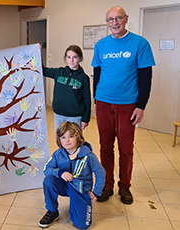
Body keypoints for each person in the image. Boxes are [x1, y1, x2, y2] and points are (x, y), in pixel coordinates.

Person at [91, 6, 155, 204]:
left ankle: (125, 186)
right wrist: (95, 101)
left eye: (118, 18)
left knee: (126, 148)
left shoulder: (140, 44)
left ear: (126, 19)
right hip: (103, 102)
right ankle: (107, 184)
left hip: (128, 104)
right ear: (107, 22)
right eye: (110, 19)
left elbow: (146, 78)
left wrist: (141, 106)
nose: (114, 23)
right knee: (104, 146)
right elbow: (97, 76)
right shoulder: (101, 45)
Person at [39, 121, 105, 229]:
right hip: (64, 185)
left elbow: (100, 173)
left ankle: (77, 205)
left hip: (81, 189)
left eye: (71, 136)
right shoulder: (58, 154)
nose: (67, 140)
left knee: (82, 225)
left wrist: (96, 193)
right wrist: (60, 173)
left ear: (78, 137)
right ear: (59, 140)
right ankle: (52, 211)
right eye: (63, 137)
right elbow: (46, 169)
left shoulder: (88, 156)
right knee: (49, 180)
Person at [41, 44, 91, 133]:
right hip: (59, 115)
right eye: (69, 57)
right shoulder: (59, 72)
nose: (71, 60)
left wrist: (85, 119)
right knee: (60, 141)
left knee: (73, 143)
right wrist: (38, 52)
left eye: (75, 57)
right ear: (65, 58)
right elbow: (42, 70)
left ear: (80, 59)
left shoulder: (84, 78)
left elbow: (87, 99)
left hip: (75, 118)